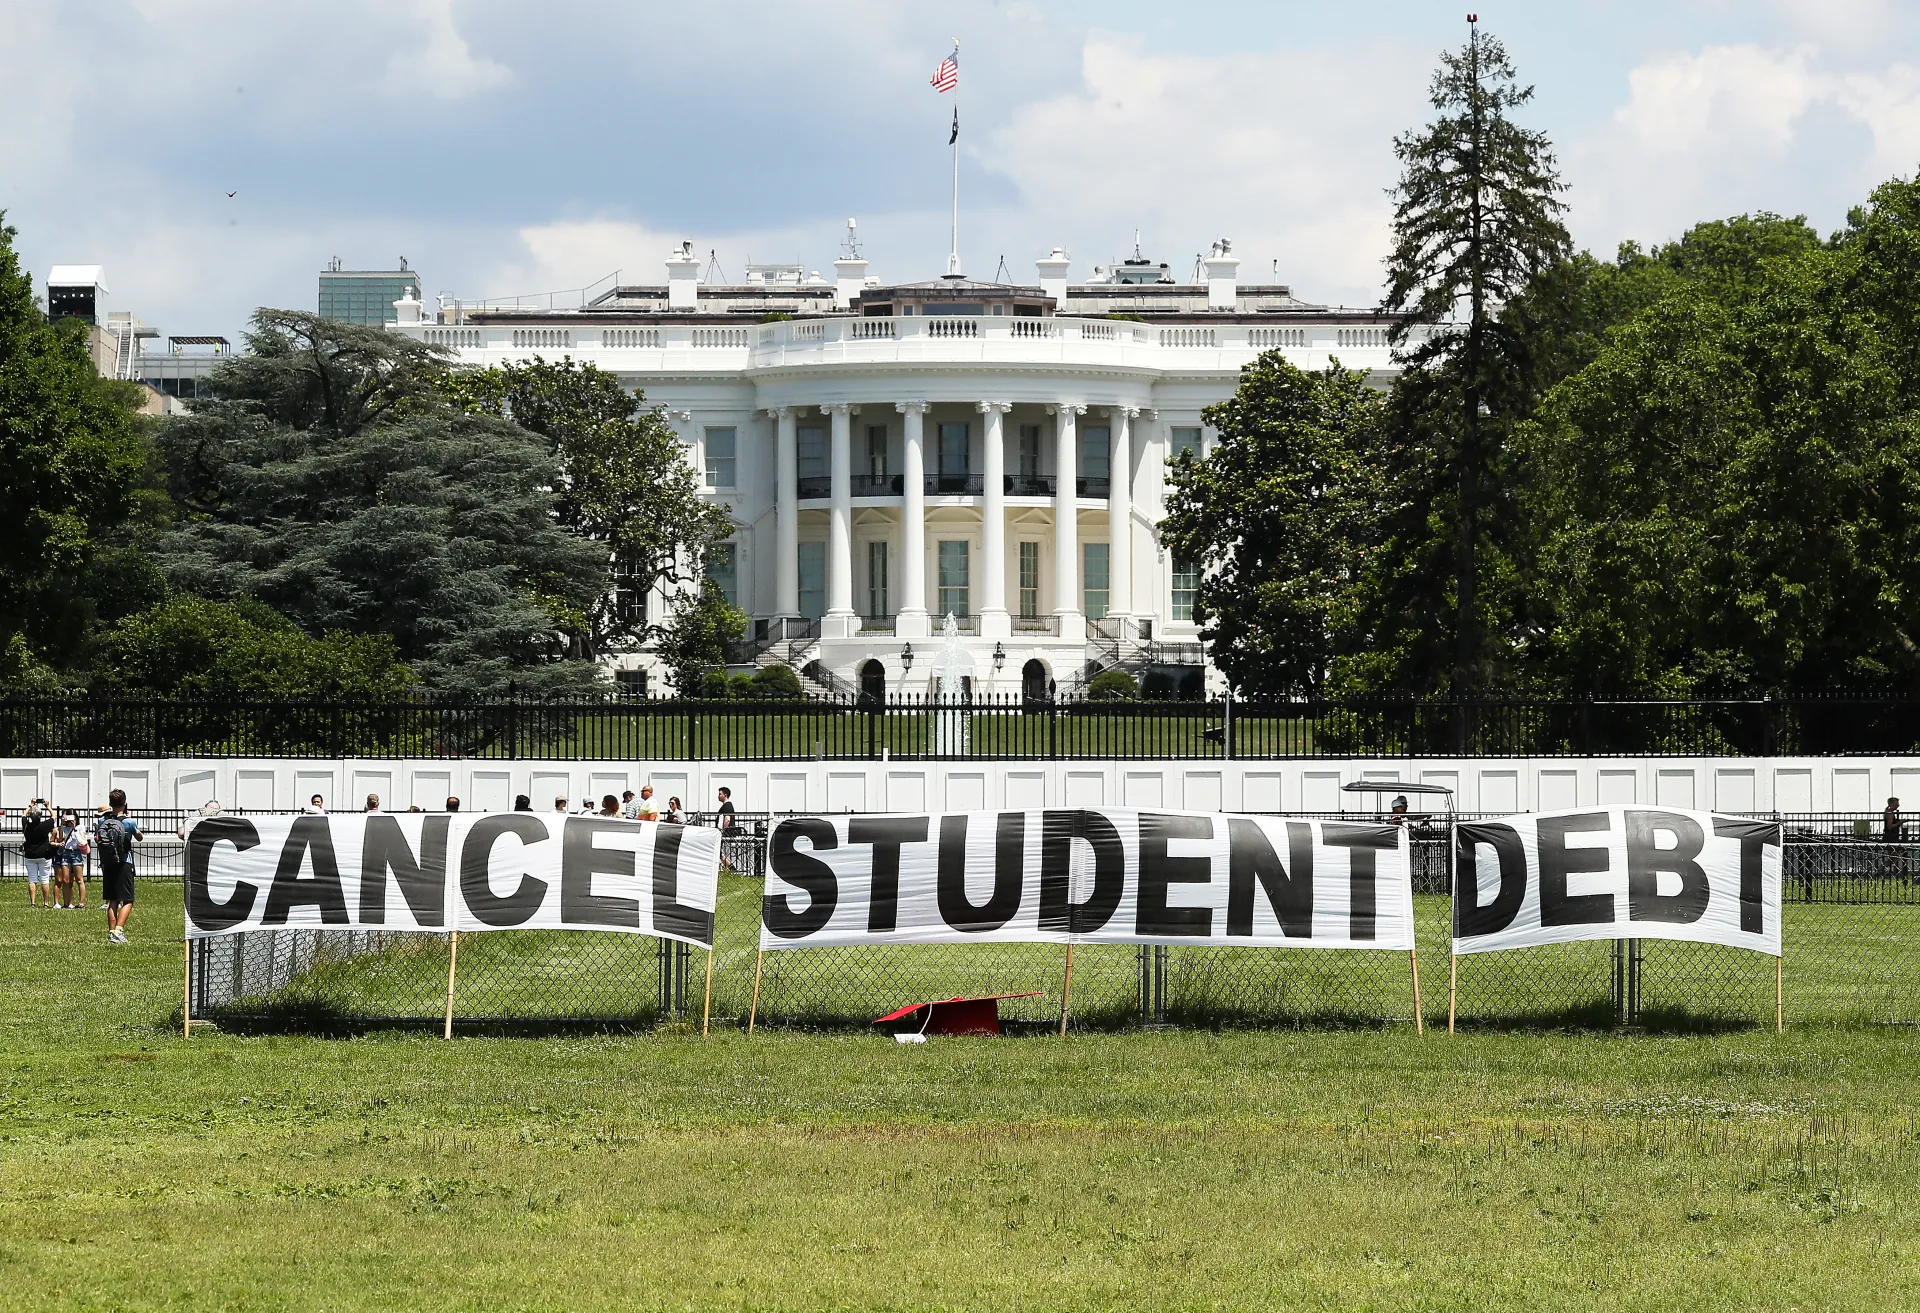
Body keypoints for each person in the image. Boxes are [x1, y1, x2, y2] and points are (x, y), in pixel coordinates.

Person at [93, 789, 140, 945]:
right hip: (124, 862)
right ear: (124, 803)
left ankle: (112, 932)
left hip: (109, 862)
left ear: (110, 804)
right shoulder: (129, 822)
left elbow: (98, 837)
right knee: (127, 899)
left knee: (112, 899)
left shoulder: (103, 821)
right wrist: (131, 821)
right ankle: (119, 930)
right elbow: (139, 837)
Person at [20, 799, 54, 908]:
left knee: (32, 879)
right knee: (45, 879)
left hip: (30, 854)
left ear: (31, 816)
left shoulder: (27, 826)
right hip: (44, 854)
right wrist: (47, 806)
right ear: (40, 815)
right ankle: (46, 903)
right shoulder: (45, 825)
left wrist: (31, 805)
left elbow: (23, 815)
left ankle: (33, 902)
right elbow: (54, 816)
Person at [54, 809, 87, 910]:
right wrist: (62, 825)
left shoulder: (81, 827)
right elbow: (59, 839)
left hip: (76, 853)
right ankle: (66, 903)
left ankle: (81, 902)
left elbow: (81, 841)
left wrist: (74, 828)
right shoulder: (64, 828)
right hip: (66, 853)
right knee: (66, 880)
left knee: (79, 879)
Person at [715, 786, 737, 874]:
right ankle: (729, 869)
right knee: (721, 853)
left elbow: (727, 819)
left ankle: (732, 869)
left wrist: (722, 831)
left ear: (725, 795)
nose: (718, 796)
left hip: (725, 833)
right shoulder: (726, 806)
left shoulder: (727, 806)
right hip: (724, 833)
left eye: (720, 794)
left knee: (719, 852)